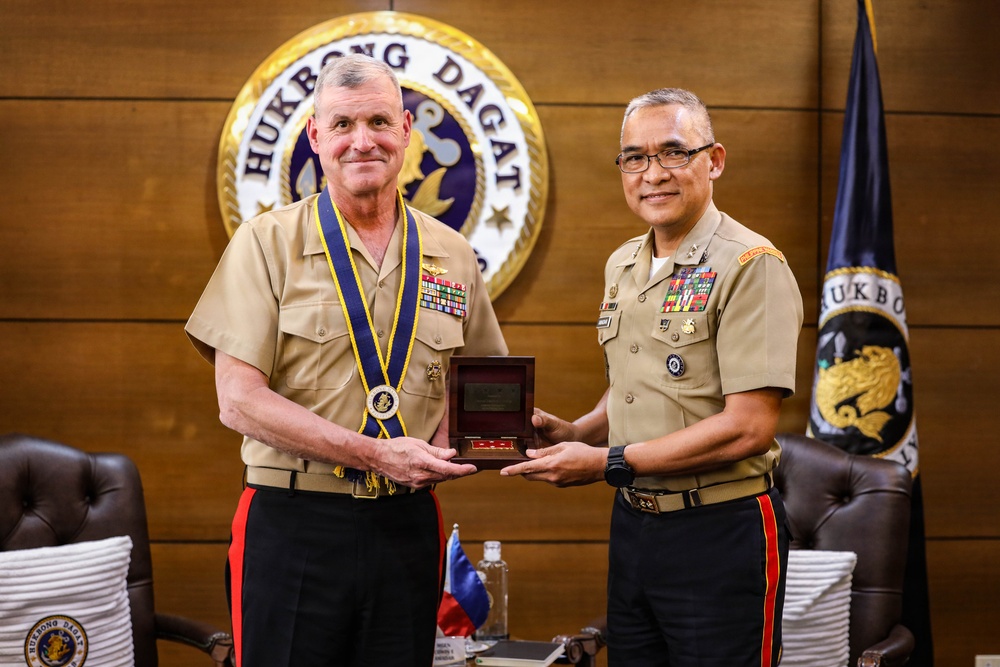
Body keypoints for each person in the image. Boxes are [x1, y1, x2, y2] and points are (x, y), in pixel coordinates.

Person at [185, 53, 507, 667]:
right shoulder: (266, 244)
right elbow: (239, 400)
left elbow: (482, 388)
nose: (364, 141)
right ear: (315, 136)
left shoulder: (454, 253)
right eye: (342, 125)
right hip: (293, 522)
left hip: (407, 526)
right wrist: (377, 453)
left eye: (380, 122)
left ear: (408, 132)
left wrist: (484, 436)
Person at [502, 88, 803, 667]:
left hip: (721, 530)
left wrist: (609, 463)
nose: (652, 174)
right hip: (636, 526)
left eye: (672, 152)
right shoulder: (623, 263)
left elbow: (749, 428)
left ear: (713, 160)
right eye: (634, 157)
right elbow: (637, 383)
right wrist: (577, 433)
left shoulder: (750, 265)